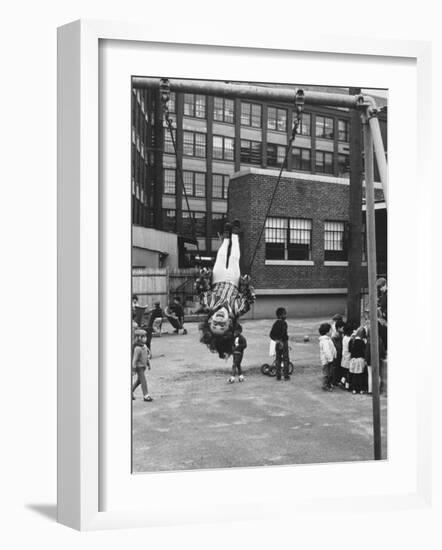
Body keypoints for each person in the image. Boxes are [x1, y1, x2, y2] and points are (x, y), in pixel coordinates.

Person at [196, 219, 255, 358]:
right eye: (222, 326)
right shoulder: (238, 310)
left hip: (218, 277)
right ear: (230, 324)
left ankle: (226, 237)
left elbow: (201, 289)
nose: (219, 322)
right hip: (234, 280)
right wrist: (246, 284)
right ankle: (235, 234)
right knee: (234, 257)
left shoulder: (208, 304)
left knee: (221, 256)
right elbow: (249, 298)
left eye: (214, 324)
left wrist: (204, 277)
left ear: (209, 321)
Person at [132, 329, 153, 402]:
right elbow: (134, 360)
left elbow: (146, 356)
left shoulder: (144, 346)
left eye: (145, 336)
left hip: (143, 366)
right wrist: (133, 369)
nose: (145, 338)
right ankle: (146, 395)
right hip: (139, 367)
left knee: (139, 381)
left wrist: (148, 364)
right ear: (139, 338)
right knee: (143, 381)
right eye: (143, 336)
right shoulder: (137, 348)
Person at [270, 307, 291, 381]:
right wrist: (282, 341)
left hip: (277, 343)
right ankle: (286, 376)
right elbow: (283, 333)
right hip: (283, 342)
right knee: (286, 359)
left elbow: (271, 334)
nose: (286, 316)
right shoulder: (284, 323)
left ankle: (278, 376)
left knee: (278, 359)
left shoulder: (275, 323)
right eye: (284, 314)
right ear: (280, 315)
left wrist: (277, 340)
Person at [318, 322, 337, 391]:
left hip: (329, 359)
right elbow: (327, 351)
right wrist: (330, 359)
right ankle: (325, 385)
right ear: (327, 332)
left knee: (330, 373)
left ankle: (328, 384)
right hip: (327, 360)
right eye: (330, 330)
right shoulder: (325, 341)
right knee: (327, 373)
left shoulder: (327, 339)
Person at [349, 327, 367, 394]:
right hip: (360, 360)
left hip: (353, 359)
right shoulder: (362, 342)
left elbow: (349, 350)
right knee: (360, 375)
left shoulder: (352, 341)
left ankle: (354, 389)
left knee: (354, 375)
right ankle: (361, 389)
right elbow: (364, 351)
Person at [331, 317, 345, 386]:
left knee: (337, 368)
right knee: (336, 368)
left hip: (339, 354)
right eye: (343, 328)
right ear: (339, 328)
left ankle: (336, 380)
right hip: (337, 355)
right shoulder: (336, 336)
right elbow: (337, 347)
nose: (343, 329)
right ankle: (334, 381)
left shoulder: (339, 335)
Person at [340, 322, 353, 390]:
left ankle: (342, 382)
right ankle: (347, 386)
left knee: (345, 372)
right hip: (348, 357)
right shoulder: (350, 339)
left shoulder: (344, 337)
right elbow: (350, 349)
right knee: (348, 372)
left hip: (344, 355)